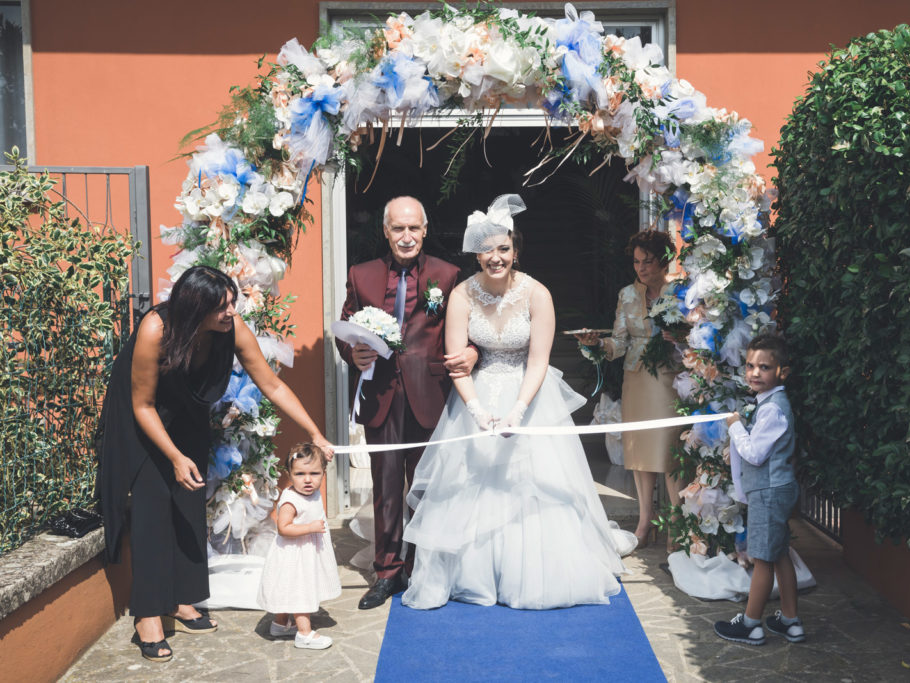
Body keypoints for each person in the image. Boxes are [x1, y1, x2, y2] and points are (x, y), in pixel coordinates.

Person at [402, 194, 636, 611]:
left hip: (528, 394)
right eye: (488, 249)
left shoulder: (537, 294)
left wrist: (518, 410)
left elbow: (539, 360)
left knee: (532, 483)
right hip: (477, 394)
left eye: (504, 248)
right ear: (477, 253)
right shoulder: (461, 295)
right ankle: (473, 574)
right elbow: (457, 362)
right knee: (473, 484)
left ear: (515, 250)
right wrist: (475, 409)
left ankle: (535, 574)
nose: (496, 257)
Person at [96, 265, 332, 662]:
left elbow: (271, 384)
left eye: (232, 303)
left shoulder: (231, 329)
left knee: (188, 504)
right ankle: (149, 614)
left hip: (187, 414)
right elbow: (143, 404)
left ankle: (182, 599)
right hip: (143, 420)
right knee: (153, 509)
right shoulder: (156, 329)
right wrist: (172, 456)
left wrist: (315, 432)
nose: (231, 312)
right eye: (221, 306)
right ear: (194, 308)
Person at [335, 196, 478, 610]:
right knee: (386, 488)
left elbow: (470, 329)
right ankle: (386, 572)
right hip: (380, 392)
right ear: (386, 231)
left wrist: (472, 353)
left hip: (430, 395)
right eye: (398, 228)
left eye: (413, 228)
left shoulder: (448, 276)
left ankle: (422, 567)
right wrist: (352, 354)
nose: (406, 236)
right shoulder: (361, 275)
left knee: (427, 487)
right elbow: (346, 329)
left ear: (425, 230)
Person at [575, 230, 686, 551]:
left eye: (647, 261)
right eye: (637, 262)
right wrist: (596, 344)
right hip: (636, 378)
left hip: (671, 377)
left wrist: (680, 337)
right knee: (638, 454)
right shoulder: (626, 294)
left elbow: (701, 333)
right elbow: (620, 342)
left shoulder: (681, 290)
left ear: (664, 260)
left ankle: (676, 525)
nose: (641, 268)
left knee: (670, 452)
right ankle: (645, 521)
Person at [713, 334, 804, 645]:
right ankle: (791, 621)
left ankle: (751, 624)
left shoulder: (772, 410)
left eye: (764, 367)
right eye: (750, 365)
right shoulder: (767, 404)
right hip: (772, 490)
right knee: (779, 555)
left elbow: (754, 453)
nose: (753, 373)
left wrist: (735, 426)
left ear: (782, 372)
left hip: (769, 492)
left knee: (762, 559)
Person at [257, 443, 342, 650]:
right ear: (289, 474)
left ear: (323, 472)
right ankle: (304, 634)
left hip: (307, 552)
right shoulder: (290, 500)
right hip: (293, 555)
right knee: (300, 591)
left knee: (292, 589)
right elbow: (283, 528)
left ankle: (280, 624)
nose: (307, 479)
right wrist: (310, 527)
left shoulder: (313, 493)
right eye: (300, 474)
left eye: (314, 473)